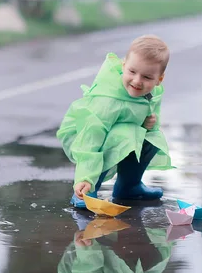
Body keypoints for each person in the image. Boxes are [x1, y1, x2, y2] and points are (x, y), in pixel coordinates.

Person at [56, 34, 175, 209]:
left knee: (151, 137)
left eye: (147, 77)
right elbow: (91, 138)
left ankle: (129, 186)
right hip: (84, 136)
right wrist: (84, 178)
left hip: (115, 134)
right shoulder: (109, 100)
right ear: (123, 65)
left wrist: (147, 125)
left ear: (159, 79)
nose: (137, 81)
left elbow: (148, 125)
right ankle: (87, 190)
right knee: (125, 134)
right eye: (132, 72)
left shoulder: (152, 93)